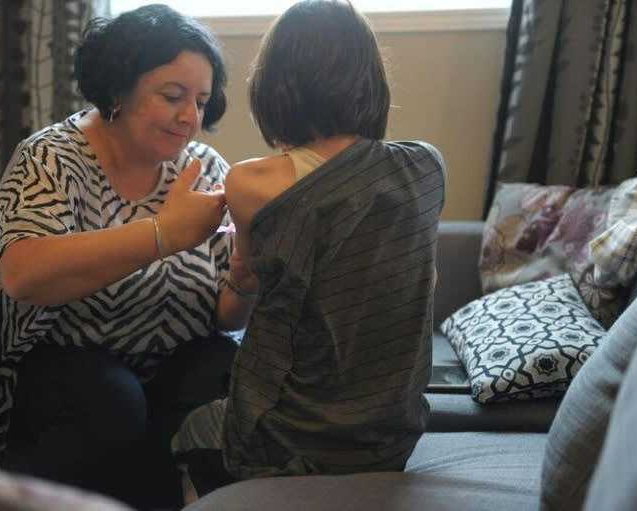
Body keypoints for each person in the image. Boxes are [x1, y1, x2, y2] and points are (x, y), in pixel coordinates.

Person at [0, 4, 257, 509]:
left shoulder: (206, 168)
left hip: (172, 361)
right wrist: (161, 233)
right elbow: (23, 275)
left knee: (222, 370)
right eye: (172, 96)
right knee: (111, 401)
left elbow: (223, 315)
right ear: (117, 90)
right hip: (57, 362)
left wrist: (244, 277)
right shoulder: (52, 157)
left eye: (200, 101)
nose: (190, 117)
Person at [171, 0, 447, 501]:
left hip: (292, 441)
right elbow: (425, 283)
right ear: (370, 81)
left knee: (186, 429)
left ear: (277, 87)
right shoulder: (425, 168)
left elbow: (233, 312)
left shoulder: (252, 182)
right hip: (392, 438)